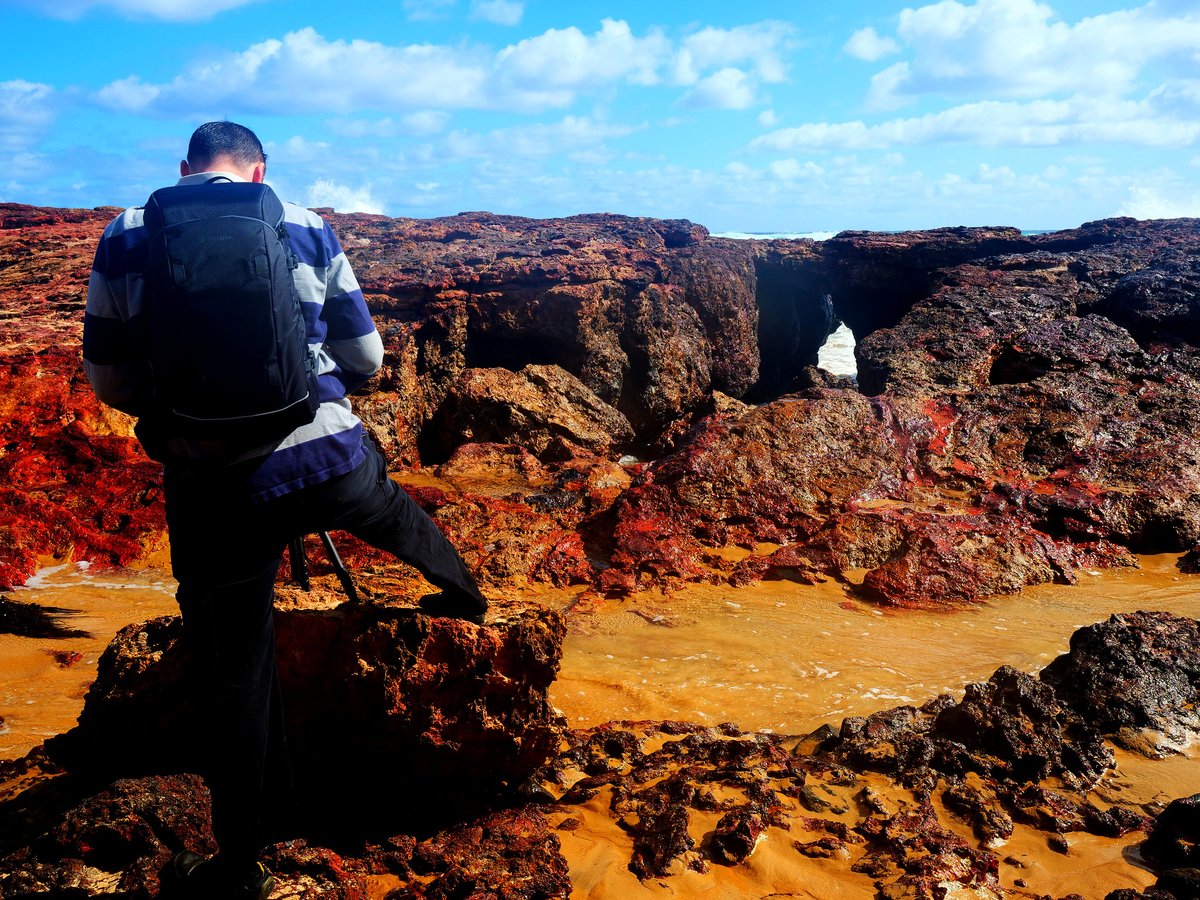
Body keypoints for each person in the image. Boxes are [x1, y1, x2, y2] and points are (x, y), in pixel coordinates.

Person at [83, 121, 489, 899]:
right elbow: (366, 358)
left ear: (184, 171)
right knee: (387, 506)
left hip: (214, 488)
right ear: (260, 170)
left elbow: (109, 378)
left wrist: (185, 416)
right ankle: (466, 595)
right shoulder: (304, 223)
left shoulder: (126, 233)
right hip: (323, 459)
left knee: (234, 668)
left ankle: (245, 858)